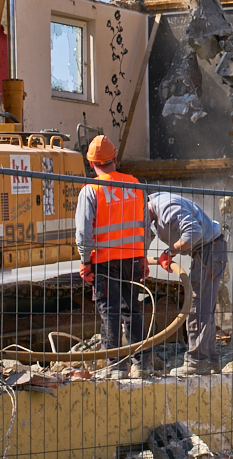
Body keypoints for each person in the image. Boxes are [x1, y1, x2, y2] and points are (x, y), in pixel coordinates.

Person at [75, 134, 151, 378]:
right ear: (115, 158)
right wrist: (142, 257)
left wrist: (85, 261)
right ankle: (141, 364)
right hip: (131, 259)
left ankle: (115, 366)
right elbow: (145, 227)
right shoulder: (135, 185)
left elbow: (84, 232)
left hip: (105, 262)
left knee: (110, 310)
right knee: (133, 309)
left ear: (91, 163)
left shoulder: (91, 190)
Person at [146, 190, 228, 376]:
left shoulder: (166, 207)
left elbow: (194, 232)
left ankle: (196, 362)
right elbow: (148, 235)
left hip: (209, 251)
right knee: (204, 308)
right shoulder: (154, 212)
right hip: (208, 251)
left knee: (197, 307)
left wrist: (169, 252)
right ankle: (211, 361)